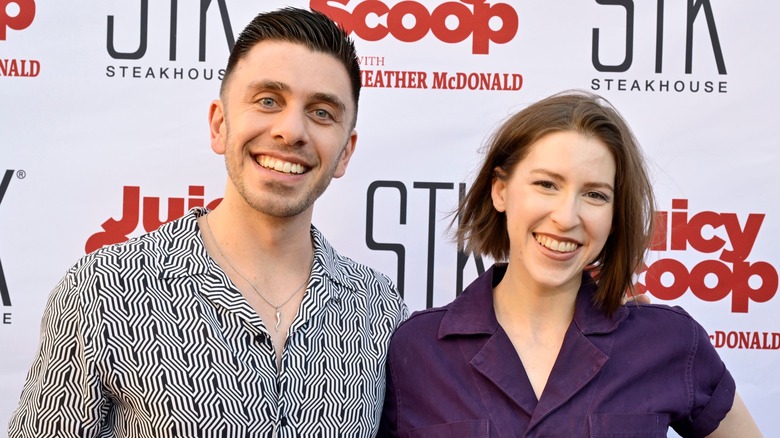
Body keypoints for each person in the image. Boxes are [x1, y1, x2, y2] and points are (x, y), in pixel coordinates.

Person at [8, 7, 407, 437]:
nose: (291, 131)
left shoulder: (380, 309)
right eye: (268, 100)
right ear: (219, 125)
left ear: (345, 152)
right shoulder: (105, 290)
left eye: (322, 112)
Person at [378, 91, 762, 437]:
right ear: (500, 191)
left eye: (595, 195)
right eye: (546, 184)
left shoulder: (668, 341)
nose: (566, 217)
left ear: (614, 216)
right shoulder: (417, 350)